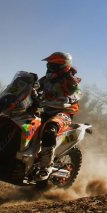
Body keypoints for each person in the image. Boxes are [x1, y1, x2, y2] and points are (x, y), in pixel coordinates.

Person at [34, 51, 81, 180]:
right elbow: (35, 88)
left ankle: (46, 167)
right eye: (49, 65)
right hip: (47, 110)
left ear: (63, 66)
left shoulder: (70, 80)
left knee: (49, 130)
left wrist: (66, 100)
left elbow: (76, 94)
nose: (49, 68)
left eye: (53, 65)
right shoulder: (46, 79)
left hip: (63, 113)